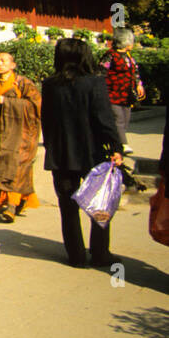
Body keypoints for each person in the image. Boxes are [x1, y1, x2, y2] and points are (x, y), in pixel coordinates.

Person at [41, 38, 124, 269]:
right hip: (91, 153)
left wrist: (51, 147)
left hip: (61, 154)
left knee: (67, 207)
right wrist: (116, 148)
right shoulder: (94, 83)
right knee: (99, 205)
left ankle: (76, 255)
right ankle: (99, 253)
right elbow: (104, 119)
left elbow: (46, 121)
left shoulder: (49, 85)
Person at [0, 51, 43, 222]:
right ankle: (9, 201)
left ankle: (12, 205)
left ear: (13, 65)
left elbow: (36, 105)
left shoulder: (23, 83)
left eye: (3, 60)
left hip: (21, 134)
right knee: (4, 166)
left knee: (18, 167)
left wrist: (8, 103)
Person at [102, 28, 143, 149]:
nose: (132, 44)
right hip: (113, 93)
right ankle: (122, 144)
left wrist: (139, 84)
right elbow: (101, 72)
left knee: (125, 119)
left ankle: (113, 143)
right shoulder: (110, 56)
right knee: (118, 119)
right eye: (131, 41)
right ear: (125, 42)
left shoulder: (128, 56)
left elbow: (135, 71)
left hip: (126, 94)